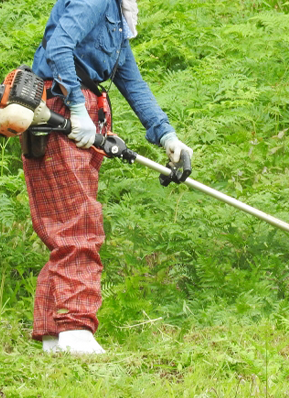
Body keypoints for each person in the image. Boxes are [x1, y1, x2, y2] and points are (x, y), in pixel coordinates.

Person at [25, 0, 193, 354]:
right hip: (59, 110)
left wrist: (167, 136)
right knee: (78, 221)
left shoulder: (117, 17)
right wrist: (74, 105)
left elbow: (131, 80)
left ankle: (55, 336)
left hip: (82, 116)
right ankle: (75, 330)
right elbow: (58, 46)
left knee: (67, 221)